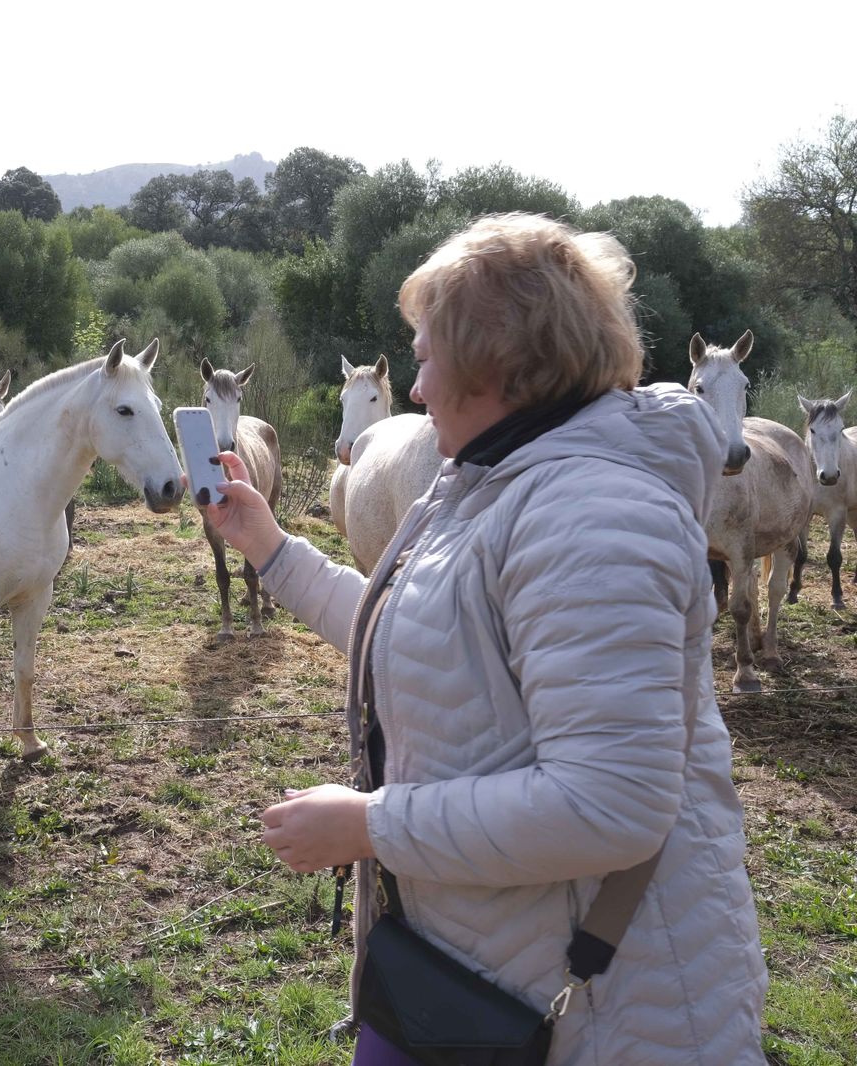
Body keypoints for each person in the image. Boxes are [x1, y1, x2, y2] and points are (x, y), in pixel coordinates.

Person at [203, 213, 768, 1064]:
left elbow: (609, 804)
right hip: (491, 970)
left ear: (496, 363)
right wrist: (270, 548)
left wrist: (369, 825)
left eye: (426, 357)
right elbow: (418, 640)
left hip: (607, 1018)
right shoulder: (498, 482)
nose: (416, 389)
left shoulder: (591, 516)